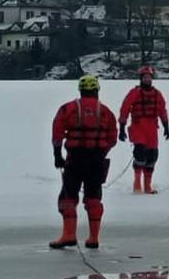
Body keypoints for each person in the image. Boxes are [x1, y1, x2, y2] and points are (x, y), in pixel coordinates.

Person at [50, 75, 118, 249]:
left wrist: (58, 155)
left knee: (68, 196)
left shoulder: (68, 109)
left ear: (80, 90)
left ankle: (69, 235)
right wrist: (102, 152)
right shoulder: (105, 111)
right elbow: (112, 137)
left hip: (75, 158)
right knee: (94, 197)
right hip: (96, 160)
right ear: (96, 91)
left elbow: (57, 130)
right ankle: (93, 238)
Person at [119, 66, 169, 195]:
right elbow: (124, 109)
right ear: (141, 79)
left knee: (152, 155)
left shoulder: (157, 94)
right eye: (145, 77)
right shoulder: (134, 93)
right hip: (138, 126)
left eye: (149, 77)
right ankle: (137, 183)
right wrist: (122, 127)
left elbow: (162, 110)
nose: (147, 80)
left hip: (152, 128)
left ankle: (147, 185)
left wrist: (166, 126)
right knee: (140, 153)